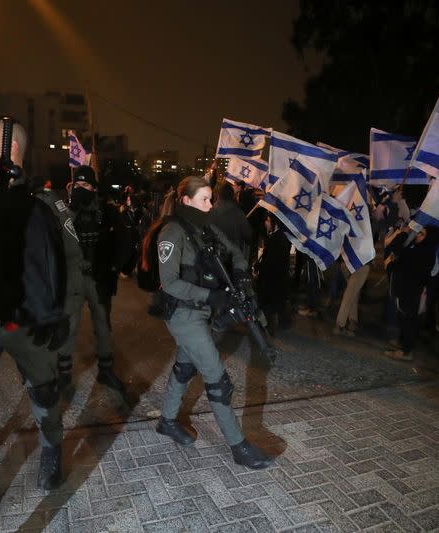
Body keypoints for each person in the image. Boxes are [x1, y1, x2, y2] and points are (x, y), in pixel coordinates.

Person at [0, 116, 69, 489]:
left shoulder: (41, 204)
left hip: (28, 319)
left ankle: (50, 450)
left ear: (10, 147)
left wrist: (58, 314)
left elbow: (66, 264)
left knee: (43, 391)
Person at [154, 176, 273, 469]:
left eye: (211, 199)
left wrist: (243, 276)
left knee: (185, 368)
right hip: (183, 315)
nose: (210, 205)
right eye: (204, 200)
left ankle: (166, 421)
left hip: (202, 311)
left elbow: (234, 252)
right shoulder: (172, 232)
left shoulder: (205, 227)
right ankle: (239, 447)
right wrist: (212, 297)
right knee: (218, 380)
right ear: (186, 201)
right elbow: (168, 283)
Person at [57, 165, 126, 397]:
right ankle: (64, 376)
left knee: (103, 326)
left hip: (98, 278)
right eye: (78, 185)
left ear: (94, 188)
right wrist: (73, 209)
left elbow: (122, 238)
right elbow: (57, 237)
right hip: (74, 277)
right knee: (69, 326)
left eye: (86, 185)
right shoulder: (65, 210)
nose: (81, 189)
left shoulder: (106, 211)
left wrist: (116, 267)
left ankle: (106, 370)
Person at [384, 225, 439, 361]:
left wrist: (404, 234)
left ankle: (406, 351)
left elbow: (396, 250)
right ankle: (403, 345)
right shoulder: (423, 251)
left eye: (422, 234)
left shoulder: (422, 253)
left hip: (409, 292)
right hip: (409, 291)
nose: (417, 235)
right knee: (406, 319)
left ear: (428, 239)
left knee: (408, 321)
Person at [254, 213, 292, 335]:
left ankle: (267, 327)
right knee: (278, 302)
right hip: (278, 277)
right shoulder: (279, 236)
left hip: (272, 278)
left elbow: (270, 260)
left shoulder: (277, 238)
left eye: (269, 220)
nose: (266, 223)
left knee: (269, 303)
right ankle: (283, 323)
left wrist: (260, 267)